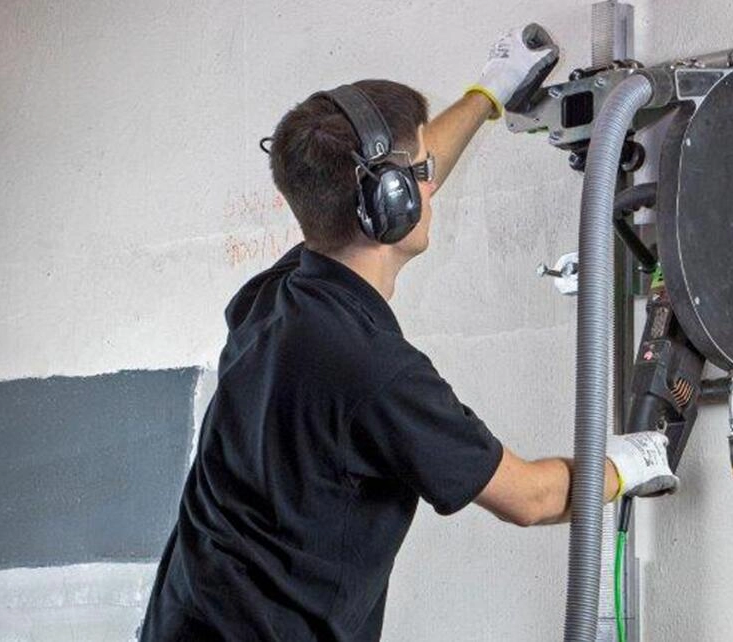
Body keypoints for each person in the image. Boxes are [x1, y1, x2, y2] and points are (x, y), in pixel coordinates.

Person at [140, 24, 676, 641]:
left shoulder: (275, 295)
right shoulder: (375, 370)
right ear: (389, 201)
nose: (430, 183)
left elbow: (394, 181)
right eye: (420, 172)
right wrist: (628, 463)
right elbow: (529, 498)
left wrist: (488, 93)